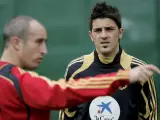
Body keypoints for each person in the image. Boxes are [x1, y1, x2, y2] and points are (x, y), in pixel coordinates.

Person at [0, 16, 159, 120]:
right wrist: (123, 77)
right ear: (16, 43)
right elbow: (65, 91)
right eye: (38, 41)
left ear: (120, 33)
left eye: (109, 29)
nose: (44, 50)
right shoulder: (18, 81)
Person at [59, 2, 158, 120]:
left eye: (109, 29)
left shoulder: (138, 70)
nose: (104, 35)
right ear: (91, 36)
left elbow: (150, 117)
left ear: (120, 33)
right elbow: (66, 116)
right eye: (98, 30)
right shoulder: (75, 69)